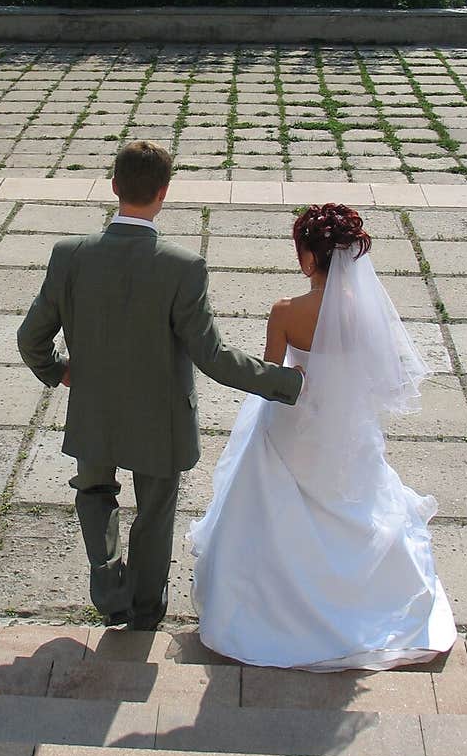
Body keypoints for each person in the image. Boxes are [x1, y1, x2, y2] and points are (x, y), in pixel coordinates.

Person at [16, 140, 303, 631]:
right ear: (164, 193)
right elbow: (210, 356)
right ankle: (146, 609)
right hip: (161, 418)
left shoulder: (69, 256)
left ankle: (107, 584)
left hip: (95, 409)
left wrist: (59, 371)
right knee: (155, 511)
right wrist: (283, 381)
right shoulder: (182, 266)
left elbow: (30, 338)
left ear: (113, 187)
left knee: (94, 492)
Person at [187, 202, 457, 670]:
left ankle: (274, 598)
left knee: (261, 465)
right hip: (345, 426)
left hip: (295, 424)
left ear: (308, 258)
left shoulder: (287, 311)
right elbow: (376, 376)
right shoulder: (366, 311)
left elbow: (272, 378)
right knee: (362, 495)